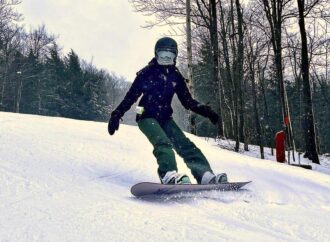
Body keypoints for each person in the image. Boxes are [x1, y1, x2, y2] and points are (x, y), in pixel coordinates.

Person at [108, 37, 227, 185]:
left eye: (169, 56)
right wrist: (117, 113)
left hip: (165, 117)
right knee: (162, 142)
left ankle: (204, 175)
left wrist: (206, 111)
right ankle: (168, 174)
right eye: (162, 55)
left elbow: (187, 101)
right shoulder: (146, 73)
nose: (165, 59)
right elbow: (130, 97)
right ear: (156, 54)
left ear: (175, 57)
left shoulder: (175, 76)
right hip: (145, 116)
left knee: (186, 145)